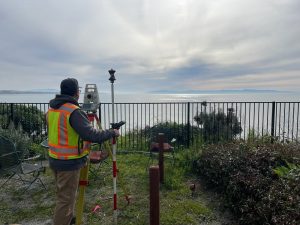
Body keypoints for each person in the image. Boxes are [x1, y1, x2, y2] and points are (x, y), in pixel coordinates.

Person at [46, 78, 119, 225]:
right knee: (65, 200)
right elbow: (92, 135)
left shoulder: (53, 109)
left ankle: (69, 218)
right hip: (68, 162)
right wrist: (112, 132)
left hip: (55, 158)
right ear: (76, 93)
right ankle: (63, 221)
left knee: (64, 196)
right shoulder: (74, 111)